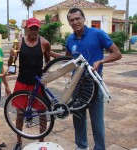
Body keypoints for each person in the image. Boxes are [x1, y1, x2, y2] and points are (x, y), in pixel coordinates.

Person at [51, 8, 122, 150]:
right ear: (69, 23)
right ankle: (82, 146)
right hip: (76, 84)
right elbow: (69, 60)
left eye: (78, 18)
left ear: (84, 19)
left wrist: (101, 61)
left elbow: (117, 53)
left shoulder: (98, 34)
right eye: (72, 20)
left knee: (97, 120)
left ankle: (100, 148)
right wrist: (49, 52)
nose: (75, 22)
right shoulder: (70, 39)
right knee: (78, 118)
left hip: (94, 83)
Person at [8, 17, 51, 150]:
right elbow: (11, 65)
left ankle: (41, 142)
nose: (33, 30)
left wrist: (45, 76)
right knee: (20, 113)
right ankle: (19, 142)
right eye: (31, 28)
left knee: (42, 114)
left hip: (37, 84)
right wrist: (11, 56)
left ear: (39, 29)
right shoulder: (19, 43)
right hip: (22, 83)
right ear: (27, 28)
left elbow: (48, 62)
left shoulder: (44, 43)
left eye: (35, 28)